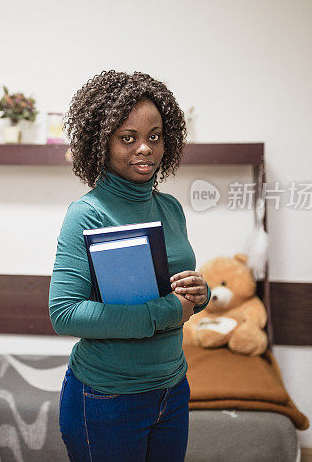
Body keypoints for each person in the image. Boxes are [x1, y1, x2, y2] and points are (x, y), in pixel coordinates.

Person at [49, 70, 210, 462]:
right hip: (106, 397)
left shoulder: (169, 208)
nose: (145, 149)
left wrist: (201, 294)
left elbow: (176, 286)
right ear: (100, 143)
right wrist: (165, 313)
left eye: (154, 137)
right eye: (128, 137)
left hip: (172, 388)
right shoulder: (87, 214)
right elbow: (64, 314)